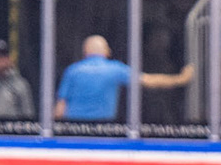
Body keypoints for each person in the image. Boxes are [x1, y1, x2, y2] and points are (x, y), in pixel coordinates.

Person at [53, 34, 193, 121]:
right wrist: (181, 79)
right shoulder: (115, 69)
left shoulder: (72, 71)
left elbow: (60, 109)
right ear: (107, 52)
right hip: (103, 130)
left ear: (85, 52)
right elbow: (149, 81)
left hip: (73, 131)